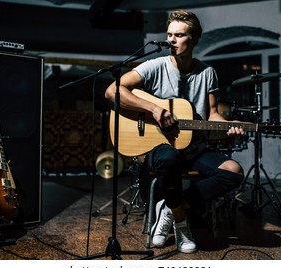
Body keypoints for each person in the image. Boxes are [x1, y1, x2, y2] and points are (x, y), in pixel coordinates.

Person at [105, 10, 245, 254]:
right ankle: (181, 224)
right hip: (161, 146)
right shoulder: (153, 66)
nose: (171, 40)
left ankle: (171, 208)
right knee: (169, 159)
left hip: (195, 147)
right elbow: (112, 91)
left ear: (194, 39)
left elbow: (212, 113)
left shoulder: (207, 72)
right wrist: (154, 109)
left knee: (233, 172)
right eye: (169, 34)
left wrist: (227, 127)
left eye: (179, 35)